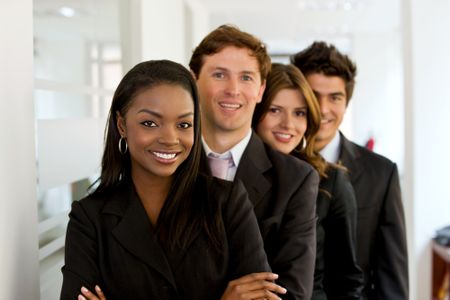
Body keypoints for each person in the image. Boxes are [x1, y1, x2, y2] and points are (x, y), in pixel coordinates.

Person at [60, 60, 285, 300]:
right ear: (122, 124)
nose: (170, 138)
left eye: (183, 124)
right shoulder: (89, 218)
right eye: (150, 123)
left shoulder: (227, 202)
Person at [189, 24, 319, 300]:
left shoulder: (296, 180)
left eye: (246, 78)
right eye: (219, 74)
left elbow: (293, 294)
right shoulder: (166, 165)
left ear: (260, 90)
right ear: (192, 81)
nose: (233, 90)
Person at [291, 41, 408, 300]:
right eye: (313, 95)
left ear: (346, 102)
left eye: (335, 97)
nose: (323, 109)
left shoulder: (382, 173)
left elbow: (392, 278)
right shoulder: (273, 165)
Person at [252, 63, 364, 299]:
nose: (288, 124)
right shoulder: (234, 172)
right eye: (274, 110)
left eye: (299, 113)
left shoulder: (331, 181)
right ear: (256, 112)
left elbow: (347, 280)